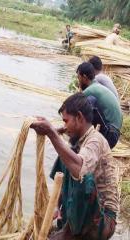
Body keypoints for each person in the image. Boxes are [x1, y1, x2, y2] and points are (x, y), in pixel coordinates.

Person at [31, 93, 118, 240]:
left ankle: (69, 231)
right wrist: (57, 207)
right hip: (87, 213)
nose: (64, 126)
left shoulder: (95, 141)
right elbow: (66, 152)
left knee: (82, 173)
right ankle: (64, 218)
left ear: (79, 117)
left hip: (103, 220)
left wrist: (52, 134)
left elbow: (80, 170)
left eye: (66, 121)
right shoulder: (80, 140)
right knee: (65, 155)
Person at [77, 62, 122, 148]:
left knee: (87, 104)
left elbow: (73, 105)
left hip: (110, 133)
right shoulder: (97, 86)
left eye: (78, 77)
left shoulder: (91, 90)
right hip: (113, 133)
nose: (78, 81)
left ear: (84, 77)